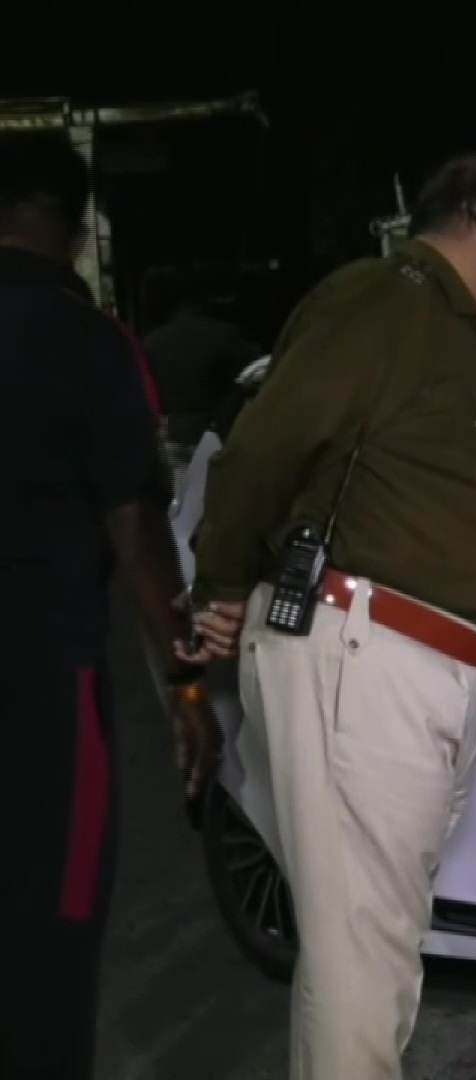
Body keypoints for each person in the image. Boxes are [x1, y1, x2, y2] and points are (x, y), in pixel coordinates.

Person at [183, 151, 476, 1079]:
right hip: (367, 657)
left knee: (371, 950)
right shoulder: (383, 300)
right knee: (362, 962)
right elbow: (266, 445)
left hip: (412, 672)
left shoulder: (445, 332)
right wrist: (220, 582)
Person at [0, 132, 222, 1078]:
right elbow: (137, 536)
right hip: (47, 695)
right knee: (50, 949)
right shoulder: (91, 344)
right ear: (75, 224)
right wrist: (185, 684)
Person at [142, 289, 262, 486]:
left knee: (181, 493)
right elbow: (257, 370)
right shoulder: (226, 335)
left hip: (170, 432)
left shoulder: (152, 341)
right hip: (212, 430)